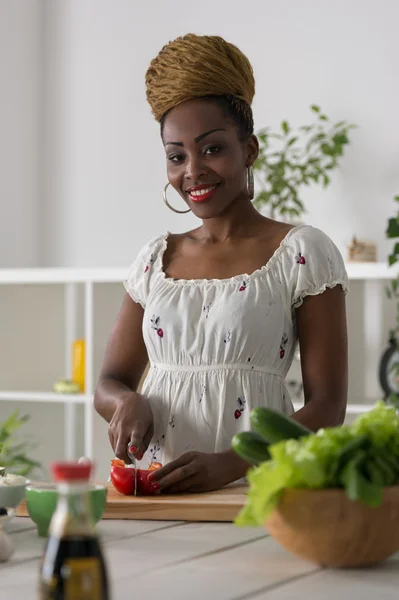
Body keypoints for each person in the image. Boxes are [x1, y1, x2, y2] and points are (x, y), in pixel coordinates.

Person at [94, 33, 348, 494]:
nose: (192, 170)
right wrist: (127, 401)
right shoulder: (156, 259)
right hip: (158, 488)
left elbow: (327, 407)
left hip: (260, 488)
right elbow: (109, 382)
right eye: (176, 156)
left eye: (211, 148)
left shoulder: (303, 253)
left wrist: (230, 464)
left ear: (248, 149)